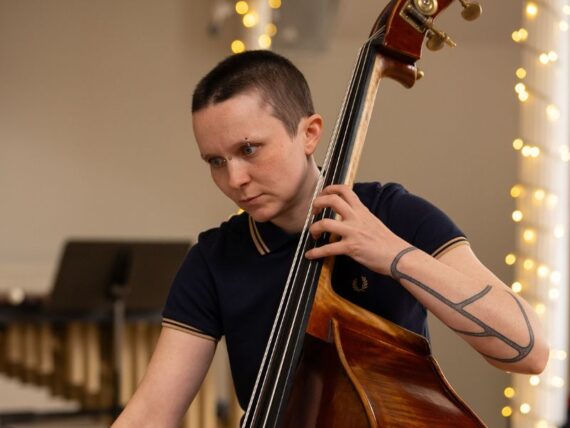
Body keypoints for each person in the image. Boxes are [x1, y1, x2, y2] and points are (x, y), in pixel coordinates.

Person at [113, 50, 548, 427]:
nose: (235, 179)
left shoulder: (392, 214)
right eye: (215, 161)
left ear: (309, 133)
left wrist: (395, 255)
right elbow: (152, 413)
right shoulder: (213, 260)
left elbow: (527, 351)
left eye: (249, 149)